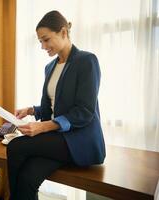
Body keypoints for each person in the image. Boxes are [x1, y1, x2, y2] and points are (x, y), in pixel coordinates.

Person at [7, 10, 106, 200]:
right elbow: (52, 107)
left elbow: (84, 111)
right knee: (28, 176)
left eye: (46, 39)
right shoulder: (50, 67)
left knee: (15, 147)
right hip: (58, 139)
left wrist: (42, 127)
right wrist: (30, 110)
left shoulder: (86, 61)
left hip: (78, 140)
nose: (43, 46)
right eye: (40, 42)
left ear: (63, 32)